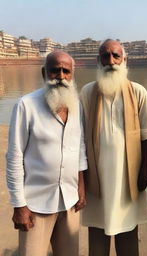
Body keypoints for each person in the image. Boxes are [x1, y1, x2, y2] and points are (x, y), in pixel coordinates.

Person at [6, 50, 87, 256]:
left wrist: (81, 187)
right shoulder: (27, 105)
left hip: (69, 201)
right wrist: (19, 205)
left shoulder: (76, 106)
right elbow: (14, 157)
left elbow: (79, 149)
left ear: (72, 74)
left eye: (65, 71)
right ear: (44, 73)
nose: (60, 76)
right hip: (35, 203)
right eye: (54, 71)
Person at [80, 39, 147, 256]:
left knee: (128, 231)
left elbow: (146, 134)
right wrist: (81, 176)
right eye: (105, 56)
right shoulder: (87, 92)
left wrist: (146, 168)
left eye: (115, 56)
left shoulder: (138, 92)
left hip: (127, 176)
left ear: (124, 60)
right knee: (97, 231)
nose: (110, 61)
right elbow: (81, 136)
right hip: (97, 175)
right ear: (98, 61)